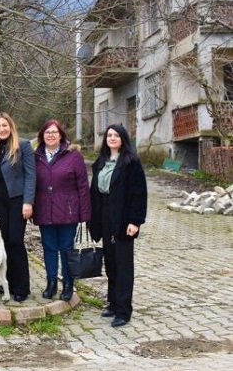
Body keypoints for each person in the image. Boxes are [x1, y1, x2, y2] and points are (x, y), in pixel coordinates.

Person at [89, 123, 147, 328]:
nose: (112, 138)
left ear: (123, 138)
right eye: (109, 135)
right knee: (111, 263)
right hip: (105, 215)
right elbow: (94, 192)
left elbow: (139, 194)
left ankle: (124, 310)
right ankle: (113, 303)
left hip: (123, 217)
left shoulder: (131, 162)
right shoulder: (101, 162)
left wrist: (135, 221)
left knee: (123, 266)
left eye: (116, 135)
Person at [0, 112, 35, 302]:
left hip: (18, 200)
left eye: (4, 125)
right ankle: (7, 283)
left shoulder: (23, 146)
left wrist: (28, 201)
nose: (1, 129)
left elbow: (30, 175)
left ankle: (22, 287)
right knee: (3, 242)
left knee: (16, 241)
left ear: (11, 126)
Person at [33, 119, 91, 302]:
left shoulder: (73, 156)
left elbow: (83, 186)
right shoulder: (36, 156)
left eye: (54, 132)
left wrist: (85, 214)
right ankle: (51, 283)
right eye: (47, 132)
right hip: (44, 209)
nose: (50, 135)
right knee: (49, 248)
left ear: (61, 135)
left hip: (68, 211)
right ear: (42, 135)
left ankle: (68, 284)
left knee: (67, 248)